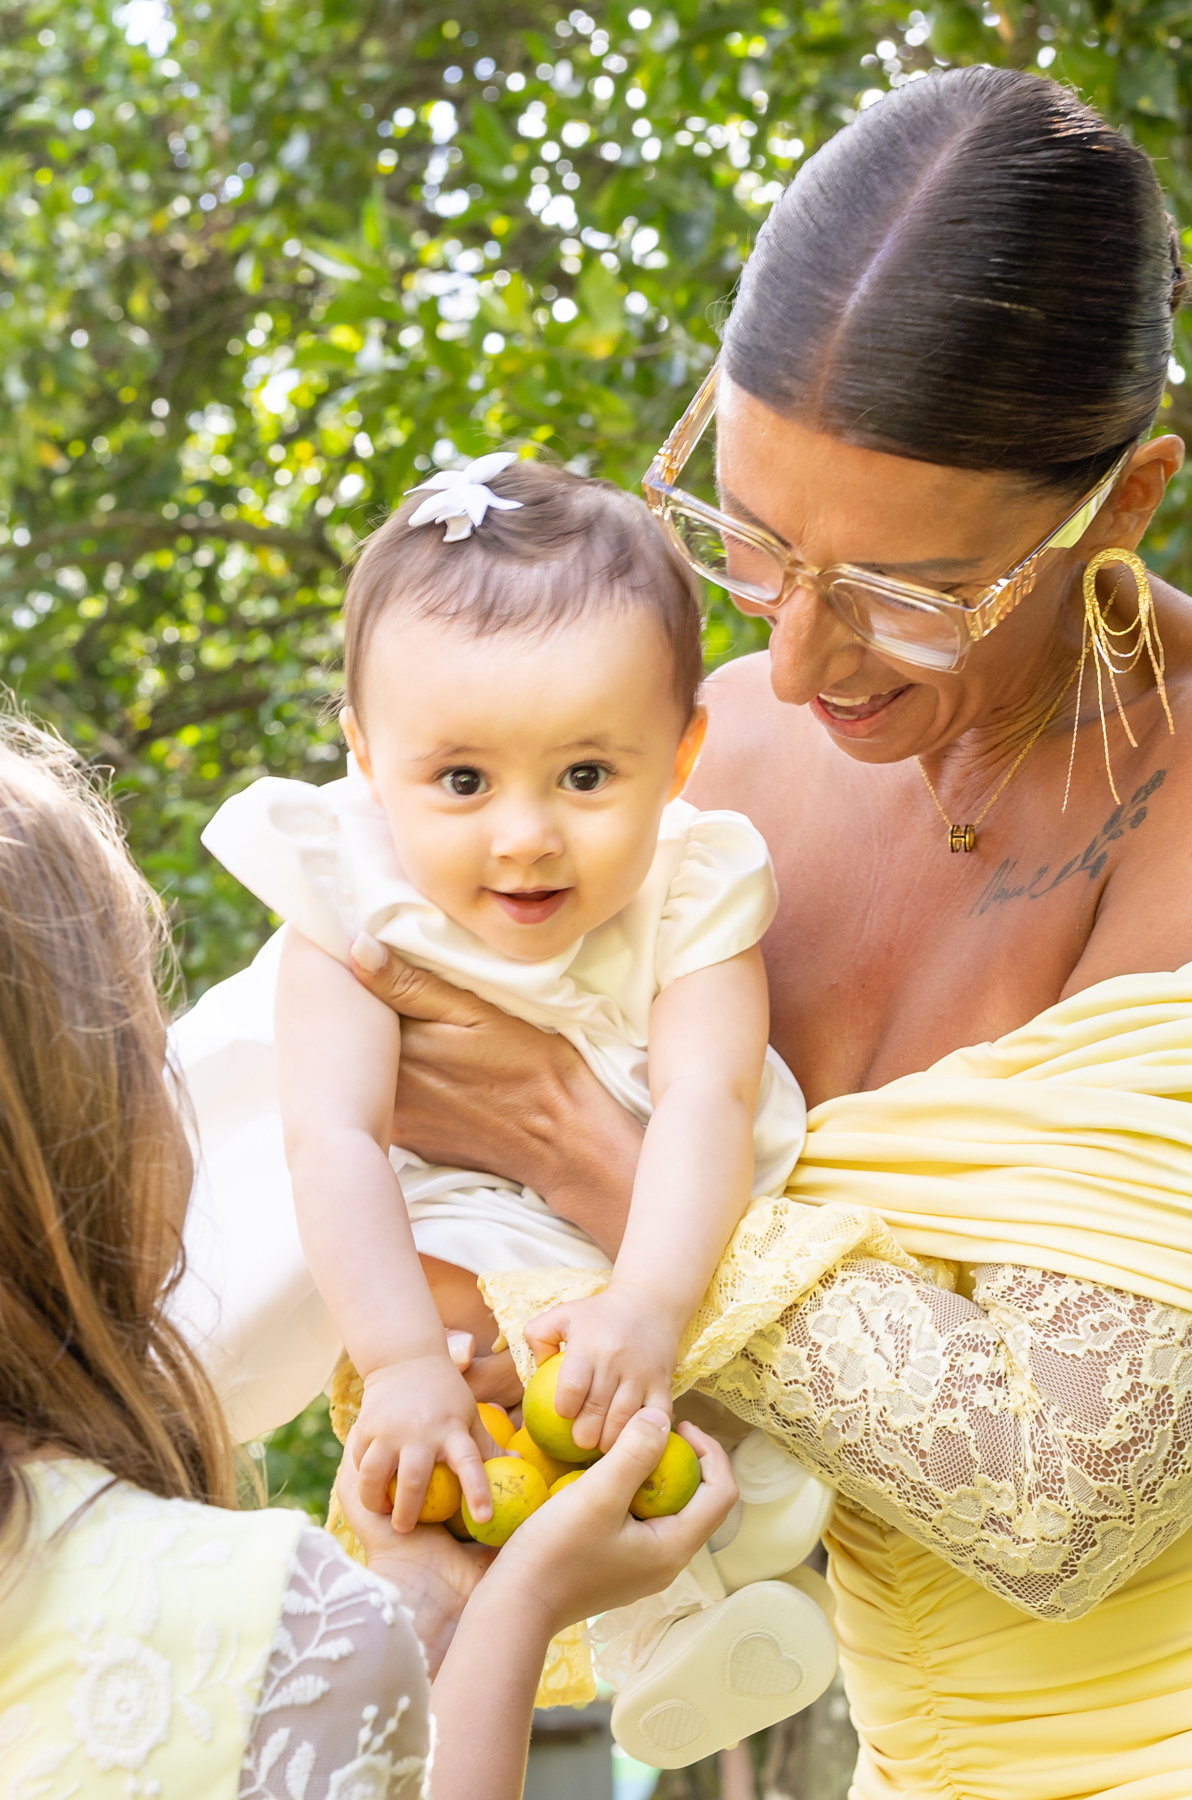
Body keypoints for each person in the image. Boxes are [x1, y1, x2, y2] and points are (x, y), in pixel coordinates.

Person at [334, 68, 1192, 1795]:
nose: (795, 668)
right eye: (745, 537)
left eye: (903, 593)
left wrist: (588, 1150)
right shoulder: (699, 764)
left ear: (1122, 502)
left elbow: (1062, 1502)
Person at [178, 457, 839, 1758]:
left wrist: (648, 1308)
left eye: (588, 776)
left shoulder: (697, 886)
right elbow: (336, 1140)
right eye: (464, 783)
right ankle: (456, 1580)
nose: (526, 838)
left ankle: (678, 1606)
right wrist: (406, 1364)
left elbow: (706, 1103)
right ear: (367, 760)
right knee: (431, 1348)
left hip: (650, 1198)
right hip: (418, 1201)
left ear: (682, 752)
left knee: (659, 1397)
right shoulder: (351, 887)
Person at [0, 710, 738, 1800]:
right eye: (149, 1044)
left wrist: (424, 1599)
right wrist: (516, 1606)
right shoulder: (264, 1628)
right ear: (81, 1135)